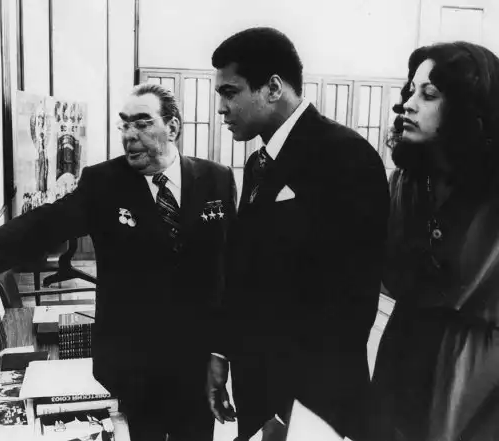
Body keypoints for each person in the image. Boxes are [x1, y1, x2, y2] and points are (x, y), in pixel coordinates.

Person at [0, 83, 237, 441]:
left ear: (172, 127)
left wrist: (222, 352)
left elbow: (229, 274)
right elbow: (46, 223)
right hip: (136, 365)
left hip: (197, 363)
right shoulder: (104, 182)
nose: (129, 135)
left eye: (142, 123)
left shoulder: (217, 180)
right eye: (125, 124)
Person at [204, 27, 390, 440]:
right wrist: (221, 351)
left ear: (273, 88)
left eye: (230, 92)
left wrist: (290, 408)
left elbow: (351, 301)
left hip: (312, 403)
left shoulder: (345, 155)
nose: (221, 107)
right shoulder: (258, 163)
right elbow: (243, 266)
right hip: (258, 387)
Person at [369, 41, 499, 441]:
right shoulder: (405, 183)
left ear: (468, 108)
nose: (408, 104)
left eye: (429, 95)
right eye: (411, 90)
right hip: (405, 349)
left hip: (476, 368)